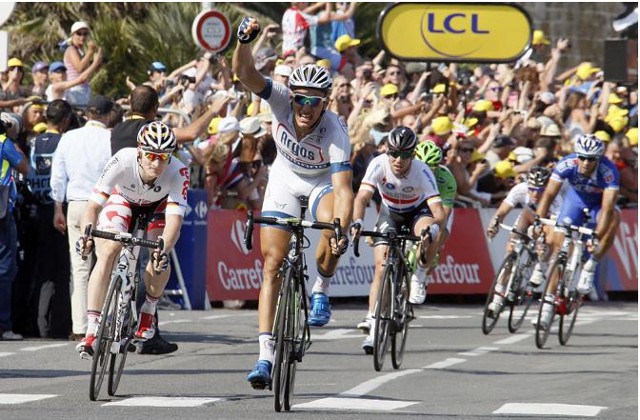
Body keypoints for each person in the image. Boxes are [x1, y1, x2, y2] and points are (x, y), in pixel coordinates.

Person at [234, 17, 353, 389]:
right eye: (300, 99)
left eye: (313, 103)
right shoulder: (282, 99)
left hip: (320, 182)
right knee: (271, 264)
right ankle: (265, 356)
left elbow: (344, 189)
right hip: (285, 177)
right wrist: (243, 42)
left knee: (331, 229)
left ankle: (321, 289)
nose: (305, 108)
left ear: (325, 104)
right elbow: (244, 73)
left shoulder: (335, 132)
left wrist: (342, 229)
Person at [75, 122, 188, 358]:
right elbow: (93, 206)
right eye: (151, 156)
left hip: (158, 207)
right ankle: (92, 328)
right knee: (107, 251)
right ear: (139, 150)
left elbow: (174, 223)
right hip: (124, 200)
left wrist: (163, 249)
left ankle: (148, 309)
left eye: (164, 158)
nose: (157, 163)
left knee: (160, 252)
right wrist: (87, 233)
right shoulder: (122, 160)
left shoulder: (178, 171)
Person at [350, 127, 446, 353]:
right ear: (386, 150)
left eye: (405, 155)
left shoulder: (422, 171)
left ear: (413, 154)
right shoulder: (378, 163)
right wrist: (357, 222)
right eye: (394, 153)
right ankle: (373, 326)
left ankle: (418, 276)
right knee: (381, 269)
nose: (398, 159)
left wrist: (431, 232)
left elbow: (438, 212)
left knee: (428, 230)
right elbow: (362, 196)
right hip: (390, 212)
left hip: (417, 213)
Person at [535, 134, 620, 329]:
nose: (584, 162)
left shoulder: (609, 172)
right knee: (560, 249)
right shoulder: (567, 164)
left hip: (599, 205)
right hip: (576, 201)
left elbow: (607, 209)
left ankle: (591, 265)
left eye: (590, 159)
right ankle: (547, 304)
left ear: (598, 159)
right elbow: (548, 194)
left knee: (614, 219)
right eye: (581, 157)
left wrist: (597, 235)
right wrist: (539, 220)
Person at [50, 95, 114, 341]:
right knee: (105, 263)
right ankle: (103, 321)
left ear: (87, 114)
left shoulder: (69, 138)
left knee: (79, 268)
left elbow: (58, 176)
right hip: (104, 205)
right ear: (107, 115)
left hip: (76, 204)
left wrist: (58, 208)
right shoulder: (111, 138)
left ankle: (81, 325)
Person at [485, 166, 562, 314]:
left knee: (548, 238)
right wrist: (494, 225)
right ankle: (498, 298)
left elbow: (555, 228)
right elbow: (501, 211)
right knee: (510, 249)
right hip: (529, 217)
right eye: (532, 189)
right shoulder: (520, 189)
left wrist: (543, 240)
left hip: (548, 220)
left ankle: (540, 266)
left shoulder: (556, 196)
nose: (535, 194)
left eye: (540, 190)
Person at [27, 100, 73, 338]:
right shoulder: (65, 142)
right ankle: (60, 325)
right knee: (62, 271)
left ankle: (39, 324)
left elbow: (31, 174)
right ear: (65, 120)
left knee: (43, 270)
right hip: (59, 209)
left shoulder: (35, 141)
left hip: (38, 209)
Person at [0, 114, 30, 340]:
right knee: (5, 268)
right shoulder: (5, 144)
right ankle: (4, 324)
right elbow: (25, 168)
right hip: (2, 214)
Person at [414, 140, 457, 268]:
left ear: (437, 166)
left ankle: (420, 276)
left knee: (440, 233)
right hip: (417, 205)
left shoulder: (446, 179)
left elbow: (444, 213)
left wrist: (434, 230)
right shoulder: (408, 171)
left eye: (430, 168)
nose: (425, 171)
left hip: (438, 209)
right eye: (422, 166)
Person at [63, 21, 98, 106]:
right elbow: (79, 68)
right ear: (73, 35)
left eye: (85, 34)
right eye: (79, 33)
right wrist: (90, 53)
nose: (82, 37)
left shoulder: (81, 52)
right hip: (75, 90)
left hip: (84, 90)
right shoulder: (71, 50)